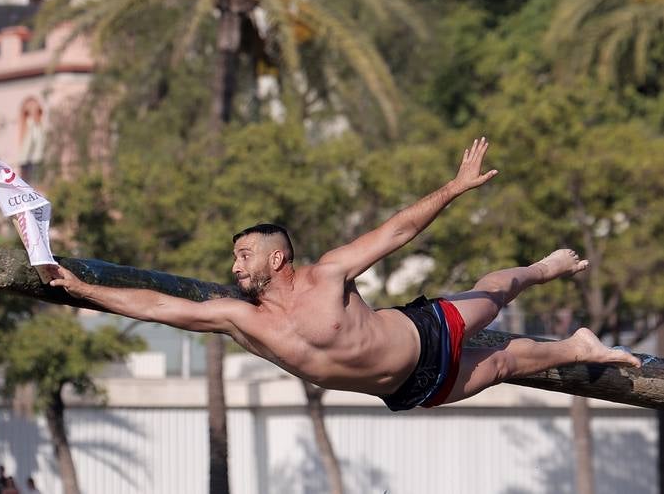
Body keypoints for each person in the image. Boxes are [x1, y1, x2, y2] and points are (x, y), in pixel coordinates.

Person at [50, 137, 640, 410]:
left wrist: (454, 189)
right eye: (235, 259)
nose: (234, 268)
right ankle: (579, 345)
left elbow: (397, 231)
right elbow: (157, 307)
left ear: (276, 258)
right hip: (410, 389)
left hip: (426, 332)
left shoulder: (329, 274)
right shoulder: (240, 318)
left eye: (244, 256)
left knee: (495, 289)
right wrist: (82, 290)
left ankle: (539, 269)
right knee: (507, 361)